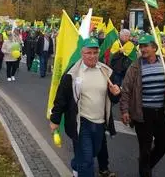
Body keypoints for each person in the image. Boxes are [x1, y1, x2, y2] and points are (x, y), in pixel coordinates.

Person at [49, 37, 120, 177]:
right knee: (87, 161)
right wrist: (55, 120)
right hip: (81, 123)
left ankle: (76, 164)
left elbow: (113, 98)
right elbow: (61, 98)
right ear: (82, 53)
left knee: (93, 153)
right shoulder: (73, 73)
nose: (92, 56)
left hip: (100, 122)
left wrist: (116, 94)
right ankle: (81, 167)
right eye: (89, 52)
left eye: (95, 52)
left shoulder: (106, 72)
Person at [120, 35, 165, 177]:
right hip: (143, 113)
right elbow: (126, 89)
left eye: (146, 46)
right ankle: (145, 172)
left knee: (164, 145)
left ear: (154, 48)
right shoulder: (135, 66)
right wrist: (125, 110)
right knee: (145, 148)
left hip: (161, 112)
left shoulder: (164, 63)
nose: (142, 49)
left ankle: (145, 165)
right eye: (141, 46)